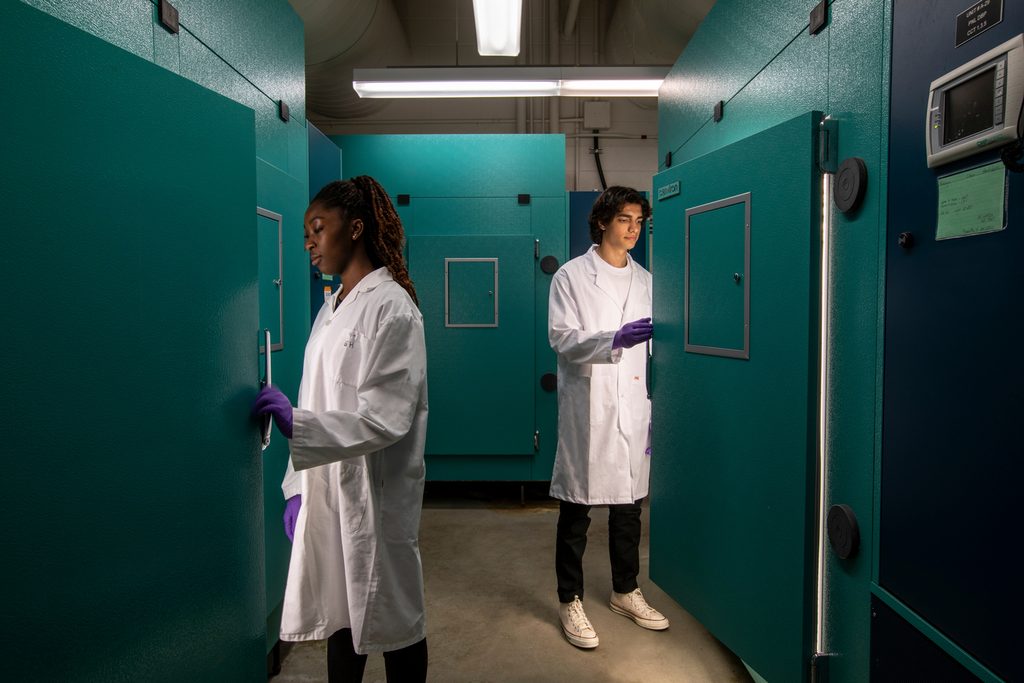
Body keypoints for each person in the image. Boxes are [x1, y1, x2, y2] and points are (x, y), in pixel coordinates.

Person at [252, 176, 429, 682]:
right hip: (327, 486)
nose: (308, 241)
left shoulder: (393, 307)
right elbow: (315, 399)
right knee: (339, 613)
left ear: (355, 229)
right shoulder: (331, 308)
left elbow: (386, 416)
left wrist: (295, 424)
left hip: (377, 494)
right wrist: (296, 486)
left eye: (317, 228)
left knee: (396, 620)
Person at [547, 185, 667, 649]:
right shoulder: (571, 277)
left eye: (639, 222)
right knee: (577, 511)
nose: (634, 229)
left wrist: (656, 413)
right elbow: (562, 338)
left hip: (634, 408)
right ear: (602, 222)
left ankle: (625, 590)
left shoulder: (648, 281)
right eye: (625, 220)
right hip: (589, 408)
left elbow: (657, 354)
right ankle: (568, 599)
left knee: (629, 508)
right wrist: (613, 338)